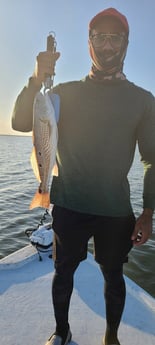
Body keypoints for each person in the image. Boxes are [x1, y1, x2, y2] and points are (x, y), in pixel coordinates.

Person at [12, 7, 155, 345]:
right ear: (89, 43)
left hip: (116, 210)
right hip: (69, 205)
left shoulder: (142, 100)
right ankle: (62, 332)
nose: (107, 45)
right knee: (63, 274)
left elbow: (151, 159)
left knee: (114, 276)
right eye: (99, 37)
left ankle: (111, 337)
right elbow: (21, 123)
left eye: (114, 38)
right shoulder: (65, 93)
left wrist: (148, 212)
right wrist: (36, 78)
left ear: (125, 43)